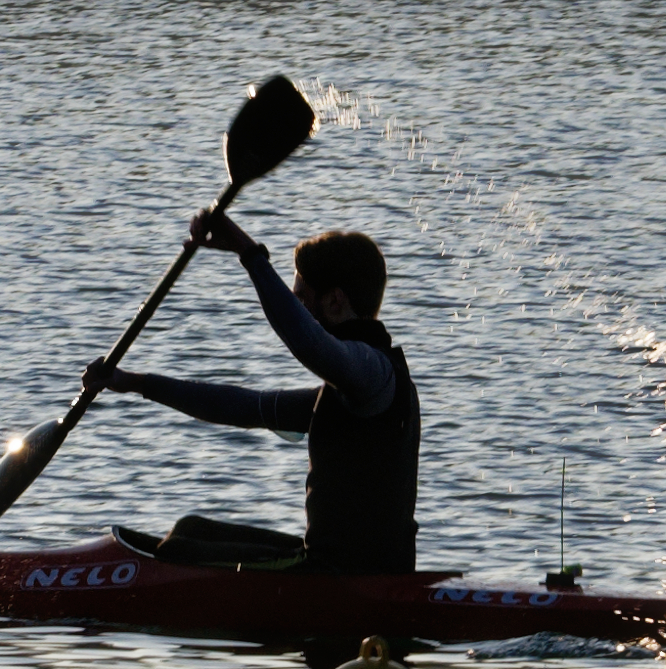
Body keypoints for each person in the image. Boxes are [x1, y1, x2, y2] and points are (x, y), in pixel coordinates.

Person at [81, 210, 420, 573]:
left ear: (335, 302)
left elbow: (306, 340)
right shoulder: (350, 393)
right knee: (190, 529)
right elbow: (244, 407)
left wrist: (249, 253)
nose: (299, 311)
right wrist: (136, 383)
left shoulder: (373, 374)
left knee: (178, 551)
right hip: (348, 567)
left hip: (347, 578)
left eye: (302, 300)